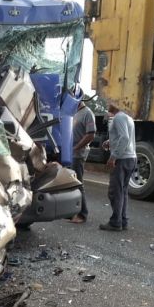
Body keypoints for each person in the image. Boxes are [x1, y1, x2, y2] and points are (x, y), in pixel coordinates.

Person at [99, 103, 136, 232]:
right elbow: (126, 136)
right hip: (130, 158)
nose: (108, 105)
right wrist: (110, 142)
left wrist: (113, 156)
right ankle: (123, 220)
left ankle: (115, 222)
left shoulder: (119, 117)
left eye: (110, 102)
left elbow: (125, 138)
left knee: (115, 192)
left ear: (115, 104)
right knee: (123, 191)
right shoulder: (127, 117)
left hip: (122, 159)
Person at [67, 96, 96, 224]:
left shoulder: (87, 113)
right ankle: (72, 212)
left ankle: (82, 214)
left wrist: (76, 147)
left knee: (78, 184)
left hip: (78, 154)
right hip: (71, 154)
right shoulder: (75, 113)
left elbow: (91, 134)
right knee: (71, 183)